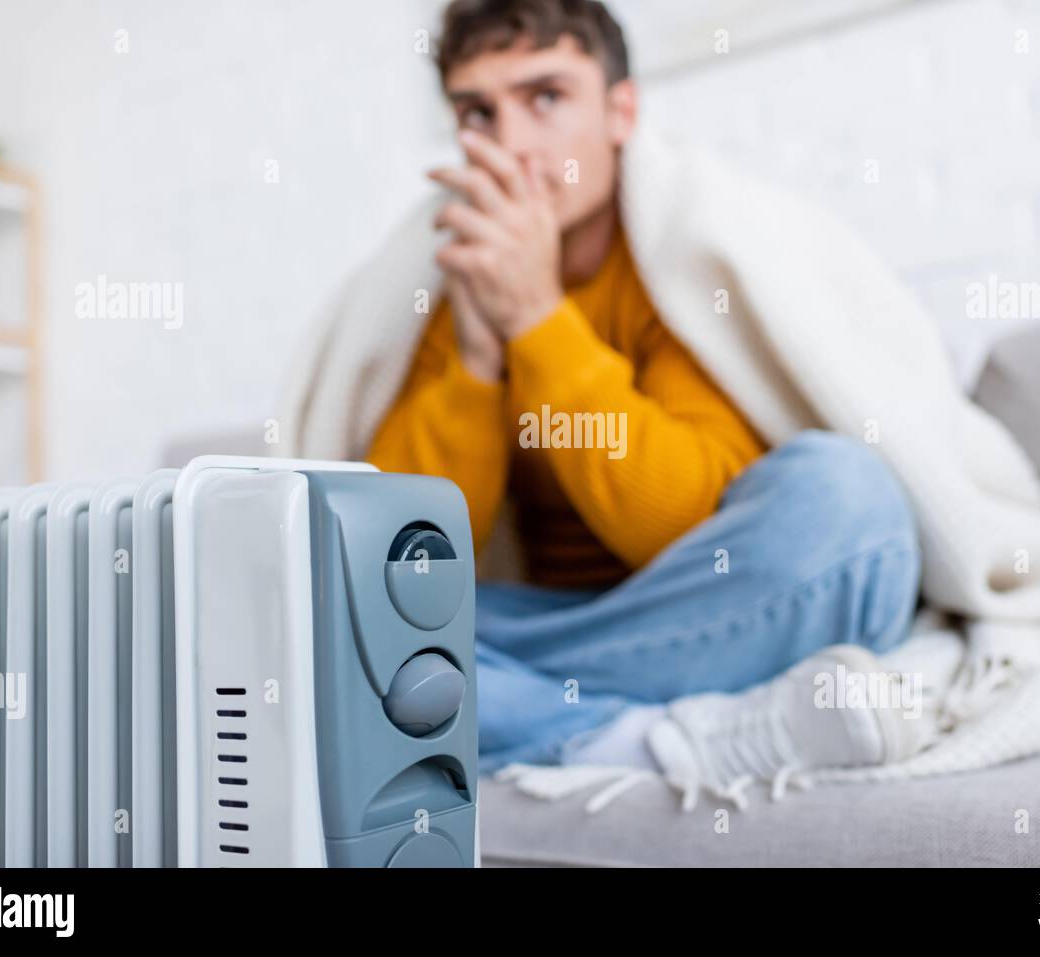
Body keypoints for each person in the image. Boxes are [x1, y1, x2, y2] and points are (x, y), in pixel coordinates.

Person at [365, 0, 925, 789]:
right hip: (547, 616)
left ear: (621, 110)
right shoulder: (461, 281)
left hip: (719, 602)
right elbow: (404, 559)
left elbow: (679, 523)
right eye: (478, 111)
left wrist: (537, 317)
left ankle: (529, 716)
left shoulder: (687, 256)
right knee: (343, 609)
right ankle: (644, 737)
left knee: (850, 500)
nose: (511, 143)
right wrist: (480, 355)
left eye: (546, 98)